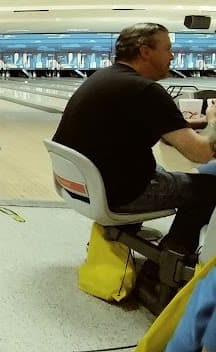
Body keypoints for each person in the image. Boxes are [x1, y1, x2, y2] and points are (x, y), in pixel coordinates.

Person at [53, 22, 216, 258]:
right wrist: (213, 121)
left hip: (85, 184)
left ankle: (125, 230)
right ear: (145, 51)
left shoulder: (106, 77)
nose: (173, 56)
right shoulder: (146, 91)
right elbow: (200, 153)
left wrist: (177, 126)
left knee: (181, 173)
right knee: (209, 188)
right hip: (120, 192)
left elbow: (156, 134)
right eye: (168, 49)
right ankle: (174, 257)